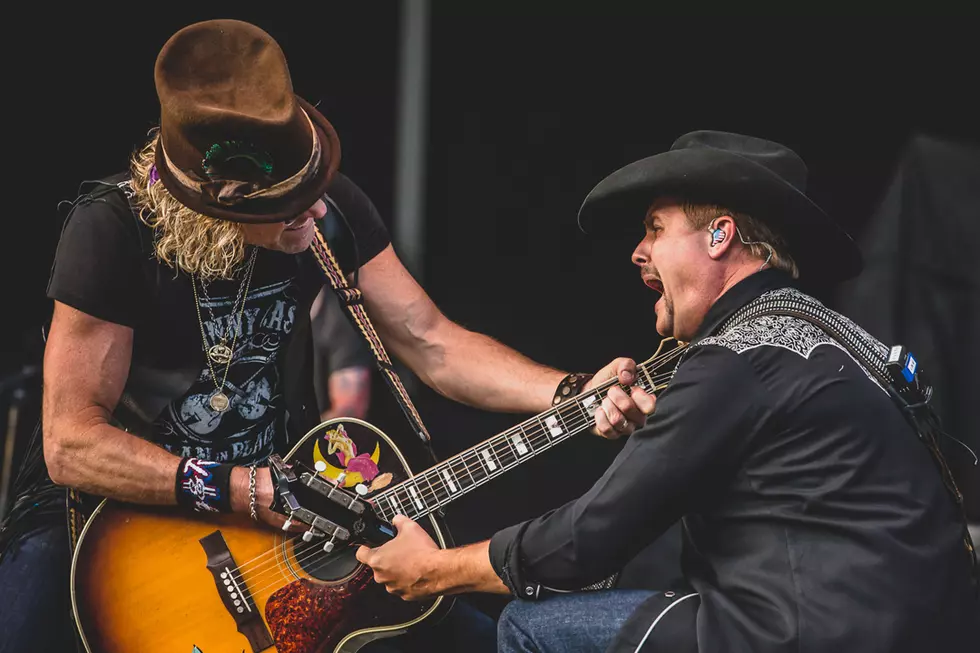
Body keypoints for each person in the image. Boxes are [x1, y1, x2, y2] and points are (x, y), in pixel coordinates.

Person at [0, 19, 652, 653]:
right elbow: (72, 444)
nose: (316, 208)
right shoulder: (111, 230)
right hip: (114, 526)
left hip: (285, 525)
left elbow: (432, 341)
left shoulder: (326, 212)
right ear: (222, 200)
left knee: (470, 637)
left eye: (315, 186)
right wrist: (242, 487)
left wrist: (570, 391)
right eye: (291, 203)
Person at [354, 131, 980, 652]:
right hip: (921, 627)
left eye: (655, 228)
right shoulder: (834, 337)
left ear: (720, 236)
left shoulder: (736, 355)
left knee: (532, 628)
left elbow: (588, 540)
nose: (637, 252)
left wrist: (437, 570)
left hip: (804, 635)